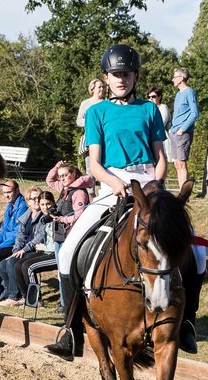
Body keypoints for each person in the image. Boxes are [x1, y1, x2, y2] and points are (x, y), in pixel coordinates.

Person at [46, 44, 169, 359]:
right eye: (115, 74)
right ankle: (71, 330)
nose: (121, 79)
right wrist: (115, 183)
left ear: (135, 76)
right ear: (106, 76)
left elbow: (160, 157)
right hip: (111, 186)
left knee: (193, 253)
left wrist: (154, 184)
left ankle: (186, 324)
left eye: (126, 74)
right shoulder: (96, 112)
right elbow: (94, 164)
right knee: (67, 253)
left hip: (148, 185)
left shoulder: (149, 110)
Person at [0, 188, 50, 306]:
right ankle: (12, 293)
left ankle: (15, 296)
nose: (36, 201)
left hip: (36, 249)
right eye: (33, 199)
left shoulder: (44, 215)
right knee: (2, 265)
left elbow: (40, 237)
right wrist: (16, 250)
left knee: (13, 263)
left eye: (38, 198)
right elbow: (20, 235)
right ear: (28, 202)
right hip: (24, 249)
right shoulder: (27, 215)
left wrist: (23, 250)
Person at [168, 67, 199, 189]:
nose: (172, 79)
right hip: (174, 132)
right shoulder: (178, 94)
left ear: (181, 78)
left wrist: (183, 129)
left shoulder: (189, 92)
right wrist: (173, 130)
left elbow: (195, 113)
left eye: (174, 77)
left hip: (183, 133)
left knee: (181, 163)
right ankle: (182, 190)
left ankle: (184, 193)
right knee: (177, 163)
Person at [75, 78, 105, 155]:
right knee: (90, 165)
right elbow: (79, 121)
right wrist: (91, 121)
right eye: (99, 87)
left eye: (103, 87)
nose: (102, 89)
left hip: (105, 140)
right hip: (90, 140)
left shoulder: (107, 103)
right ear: (92, 89)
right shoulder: (85, 103)